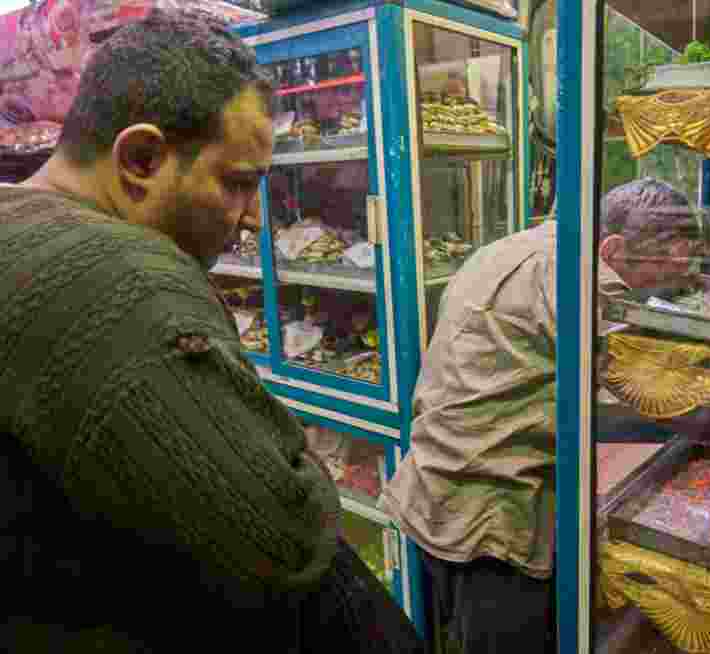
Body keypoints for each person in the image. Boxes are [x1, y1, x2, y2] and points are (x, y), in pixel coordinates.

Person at [0, 12, 423, 654]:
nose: (253, 219)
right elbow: (286, 540)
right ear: (140, 159)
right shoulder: (123, 280)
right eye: (235, 183)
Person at [380, 177, 699, 654]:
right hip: (491, 515)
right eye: (650, 279)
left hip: (438, 487)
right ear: (611, 248)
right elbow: (644, 384)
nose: (645, 294)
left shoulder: (518, 246)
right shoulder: (578, 275)